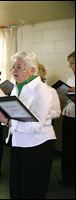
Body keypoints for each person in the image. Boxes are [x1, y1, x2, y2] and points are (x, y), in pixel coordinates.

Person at [0, 51, 58, 198]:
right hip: (19, 142)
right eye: (13, 67)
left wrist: (7, 121)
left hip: (37, 145)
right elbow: (17, 114)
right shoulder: (16, 87)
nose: (14, 70)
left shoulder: (43, 91)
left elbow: (34, 126)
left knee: (31, 189)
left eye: (19, 67)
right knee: (16, 186)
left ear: (32, 70)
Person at [60, 51, 75, 187]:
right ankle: (67, 177)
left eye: (72, 63)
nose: (70, 66)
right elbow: (67, 98)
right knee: (67, 147)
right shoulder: (70, 79)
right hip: (69, 115)